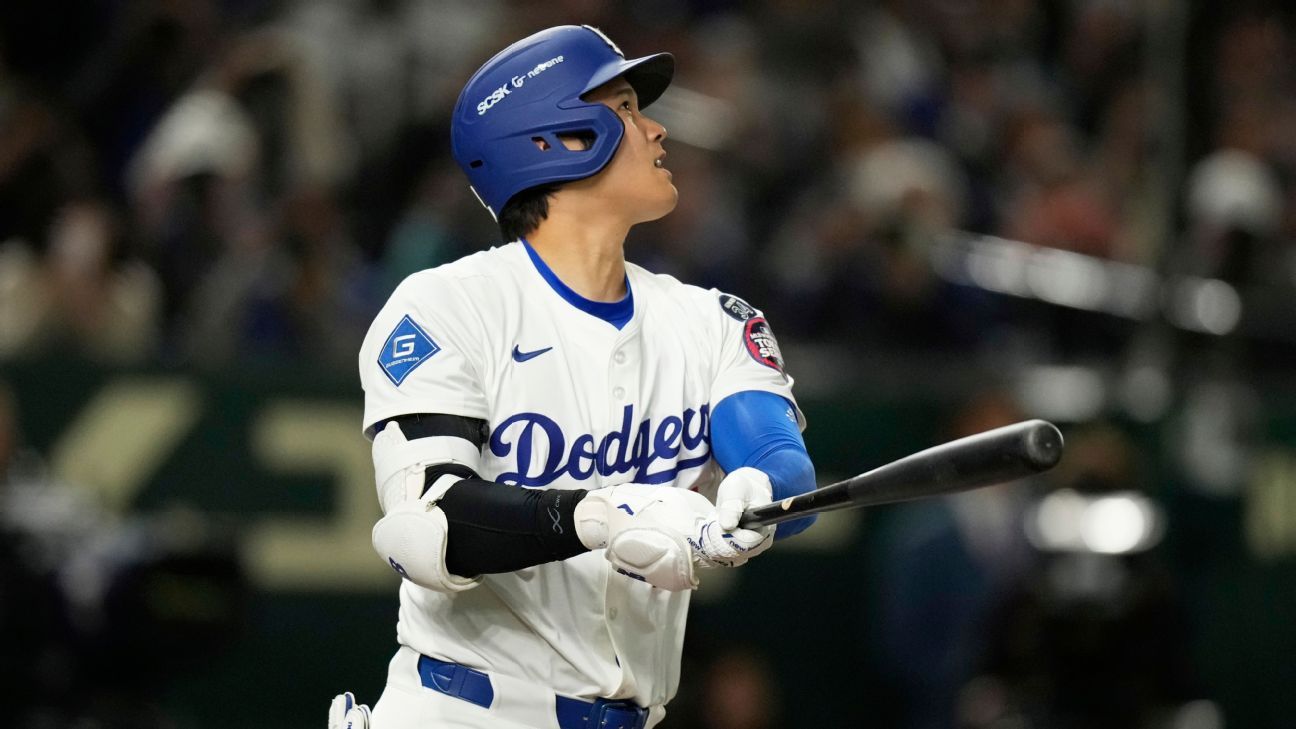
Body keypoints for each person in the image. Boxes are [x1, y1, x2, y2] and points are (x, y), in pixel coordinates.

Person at [329, 24, 818, 729]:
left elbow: (777, 458)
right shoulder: (447, 307)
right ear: (555, 139)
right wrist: (599, 515)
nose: (655, 129)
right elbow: (428, 523)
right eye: (624, 108)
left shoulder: (708, 319)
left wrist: (757, 498)